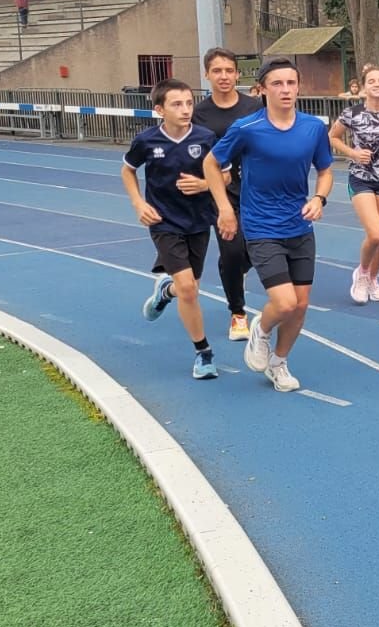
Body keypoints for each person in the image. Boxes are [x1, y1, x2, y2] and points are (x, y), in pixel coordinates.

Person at [205, 58, 334, 393]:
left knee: (301, 305)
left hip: (300, 227)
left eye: (291, 83)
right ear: (262, 89)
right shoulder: (247, 128)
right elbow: (210, 162)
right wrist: (224, 209)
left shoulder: (313, 128)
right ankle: (260, 331)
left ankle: (278, 362)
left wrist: (319, 199)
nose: (286, 90)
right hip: (262, 227)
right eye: (277, 84)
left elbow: (325, 170)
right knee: (285, 303)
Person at [121, 78, 221, 382]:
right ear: (159, 110)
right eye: (177, 104)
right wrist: (139, 204)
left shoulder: (206, 138)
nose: (185, 109)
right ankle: (203, 354)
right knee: (189, 289)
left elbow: (225, 177)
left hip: (199, 220)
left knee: (189, 289)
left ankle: (165, 292)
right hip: (164, 222)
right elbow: (128, 170)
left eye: (189, 103)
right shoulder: (146, 141)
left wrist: (204, 184)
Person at [189, 47, 261, 341]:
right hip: (220, 194)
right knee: (231, 249)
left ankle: (234, 270)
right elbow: (192, 154)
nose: (224, 76)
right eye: (217, 71)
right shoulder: (199, 114)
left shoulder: (254, 107)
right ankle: (238, 313)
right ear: (207, 74)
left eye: (229, 70)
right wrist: (207, 181)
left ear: (237, 74)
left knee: (256, 250)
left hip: (256, 190)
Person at [329, 63, 379, 305]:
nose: (377, 85)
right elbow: (332, 137)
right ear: (363, 87)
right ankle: (361, 273)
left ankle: (373, 277)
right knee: (375, 234)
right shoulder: (353, 113)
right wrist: (352, 153)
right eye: (372, 81)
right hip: (361, 179)